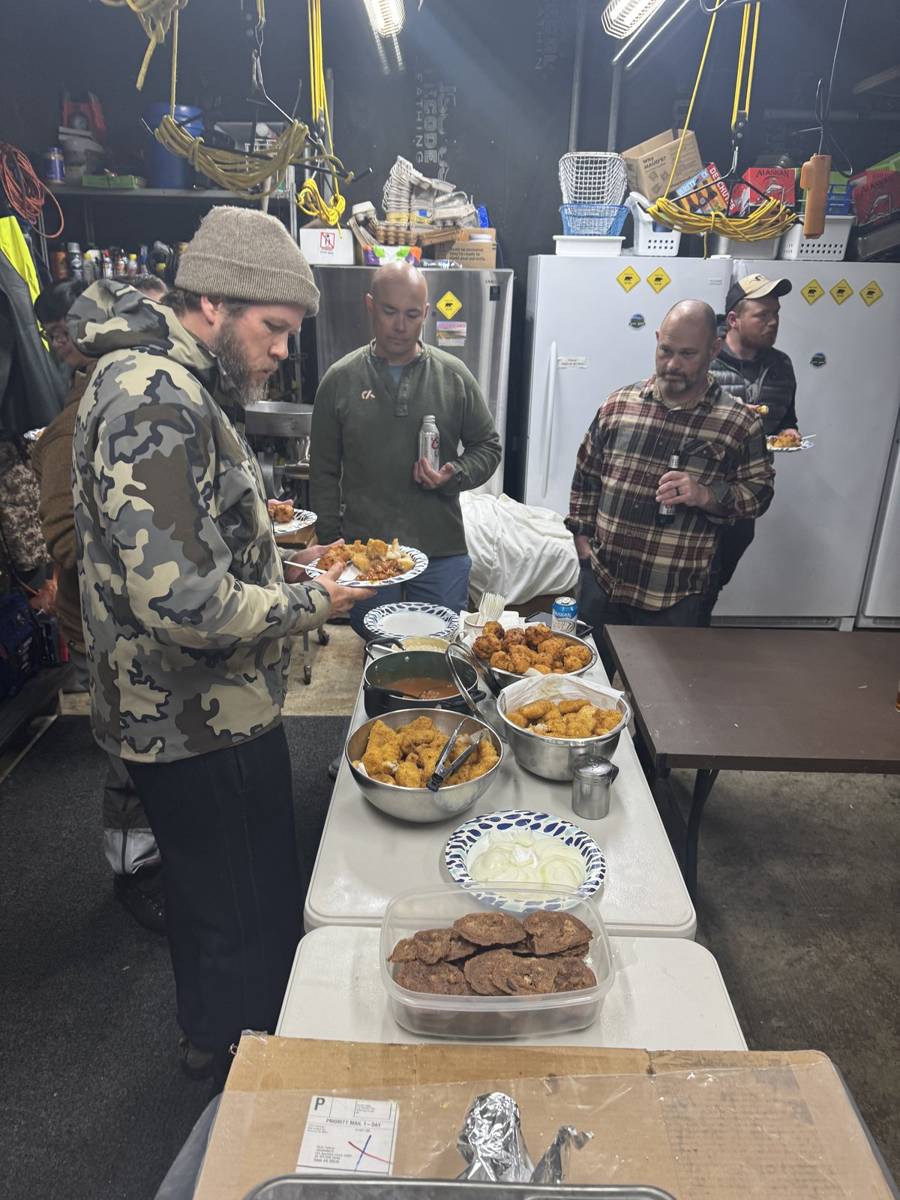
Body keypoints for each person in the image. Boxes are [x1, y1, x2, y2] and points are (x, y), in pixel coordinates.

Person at [70, 206, 372, 1084]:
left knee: (219, 903)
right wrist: (317, 598)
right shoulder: (152, 394)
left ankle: (216, 1039)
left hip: (192, 711)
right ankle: (246, 1083)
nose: (283, 351)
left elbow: (184, 538)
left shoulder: (162, 377)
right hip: (198, 717)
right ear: (212, 302)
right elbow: (187, 601)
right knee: (243, 915)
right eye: (275, 329)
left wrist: (276, 551)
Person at [31, 279, 169, 932]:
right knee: (129, 756)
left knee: (159, 744)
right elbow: (62, 537)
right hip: (107, 628)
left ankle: (164, 848)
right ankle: (133, 870)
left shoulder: (143, 402)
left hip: (151, 624)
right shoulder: (69, 430)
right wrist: (150, 558)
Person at [566, 300, 774, 673]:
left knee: (662, 706)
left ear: (714, 349)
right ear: (658, 341)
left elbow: (759, 494)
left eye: (688, 354)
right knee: (585, 689)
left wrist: (706, 495)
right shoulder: (618, 405)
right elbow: (586, 475)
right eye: (666, 350)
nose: (673, 365)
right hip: (603, 584)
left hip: (675, 595)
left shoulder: (738, 423)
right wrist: (582, 540)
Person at [310, 262, 502, 637]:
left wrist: (453, 475)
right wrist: (335, 545)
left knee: (439, 650)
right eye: (389, 311)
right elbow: (323, 472)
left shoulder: (454, 376)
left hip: (441, 550)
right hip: (366, 555)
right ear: (370, 306)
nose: (400, 326)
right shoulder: (340, 381)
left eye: (412, 314)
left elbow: (488, 447)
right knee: (379, 651)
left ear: (426, 314)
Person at [703, 272, 798, 621]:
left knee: (717, 577)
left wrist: (790, 430)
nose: (772, 322)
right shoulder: (705, 362)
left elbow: (788, 417)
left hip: (748, 493)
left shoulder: (781, 366)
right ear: (733, 320)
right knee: (693, 579)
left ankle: (695, 636)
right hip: (701, 488)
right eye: (762, 315)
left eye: (776, 314)